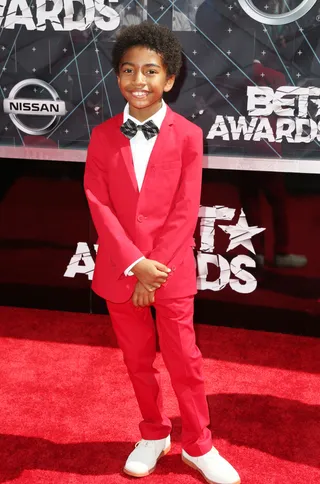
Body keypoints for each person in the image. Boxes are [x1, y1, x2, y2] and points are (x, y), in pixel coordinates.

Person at [84, 22, 240, 484]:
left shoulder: (189, 135)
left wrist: (154, 271)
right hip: (120, 270)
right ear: (117, 77)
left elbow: (184, 209)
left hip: (170, 272)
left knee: (184, 362)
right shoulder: (101, 136)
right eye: (128, 70)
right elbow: (99, 205)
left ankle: (198, 444)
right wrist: (135, 265)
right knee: (137, 362)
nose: (139, 80)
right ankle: (153, 433)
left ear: (169, 79)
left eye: (150, 71)